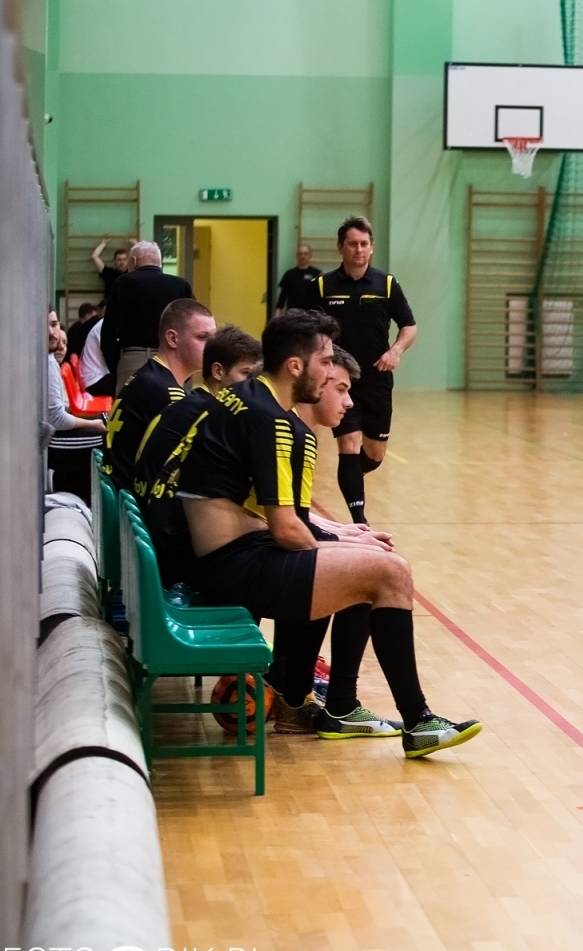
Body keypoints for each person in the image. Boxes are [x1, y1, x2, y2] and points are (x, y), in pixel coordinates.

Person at [175, 308, 478, 758]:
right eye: (324, 362)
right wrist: (339, 546)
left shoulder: (245, 397)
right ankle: (416, 721)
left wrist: (341, 545)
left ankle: (301, 699)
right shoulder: (273, 420)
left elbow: (266, 514)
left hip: (215, 557)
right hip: (231, 568)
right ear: (295, 366)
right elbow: (285, 529)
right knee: (389, 573)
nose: (328, 370)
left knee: (359, 564)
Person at [266, 345, 404, 739]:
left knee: (349, 555)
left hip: (242, 553)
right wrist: (340, 543)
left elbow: (288, 511)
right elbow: (280, 523)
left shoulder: (293, 428)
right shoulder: (287, 430)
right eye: (340, 388)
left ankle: (291, 687)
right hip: (241, 565)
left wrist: (341, 531)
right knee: (358, 574)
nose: (348, 402)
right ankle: (337, 703)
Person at [296, 216, 417, 525]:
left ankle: (350, 476)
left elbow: (409, 326)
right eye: (352, 244)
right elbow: (304, 327)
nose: (359, 250)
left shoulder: (386, 284)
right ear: (341, 248)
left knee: (374, 455)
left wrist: (396, 350)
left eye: (364, 244)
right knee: (348, 445)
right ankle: (359, 521)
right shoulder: (322, 286)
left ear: (371, 248)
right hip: (339, 380)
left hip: (377, 379)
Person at [136, 326, 263, 586]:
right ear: (218, 372)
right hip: (172, 546)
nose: (253, 385)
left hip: (155, 527)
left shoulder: (193, 405)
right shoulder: (213, 417)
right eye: (246, 374)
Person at [102, 298, 215, 495]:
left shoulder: (147, 376)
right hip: (134, 504)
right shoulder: (168, 395)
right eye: (202, 337)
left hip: (121, 496)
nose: (213, 347)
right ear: (173, 339)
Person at [100, 240, 196, 391]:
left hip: (132, 358)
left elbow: (108, 332)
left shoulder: (123, 283)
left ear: (134, 261)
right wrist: (186, 366)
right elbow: (193, 328)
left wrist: (118, 365)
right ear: (159, 262)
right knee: (170, 412)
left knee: (128, 412)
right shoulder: (181, 285)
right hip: (170, 361)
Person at [44, 311, 106, 500]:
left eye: (54, 324)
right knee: (110, 439)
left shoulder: (48, 360)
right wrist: (93, 424)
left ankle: (76, 494)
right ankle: (88, 502)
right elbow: (57, 419)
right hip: (50, 443)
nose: (53, 333)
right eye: (46, 326)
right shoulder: (48, 362)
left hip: (48, 438)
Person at [276, 243, 322, 311]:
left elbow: (322, 296)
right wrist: (277, 314)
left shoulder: (317, 274)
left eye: (305, 254)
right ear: (297, 256)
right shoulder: (289, 274)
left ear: (310, 256)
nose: (303, 256)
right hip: (293, 314)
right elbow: (282, 297)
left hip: (311, 314)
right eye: (300, 253)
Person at [79, 316, 113, 397]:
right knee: (130, 384)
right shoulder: (105, 326)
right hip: (94, 380)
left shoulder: (105, 324)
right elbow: (111, 357)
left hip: (96, 377)